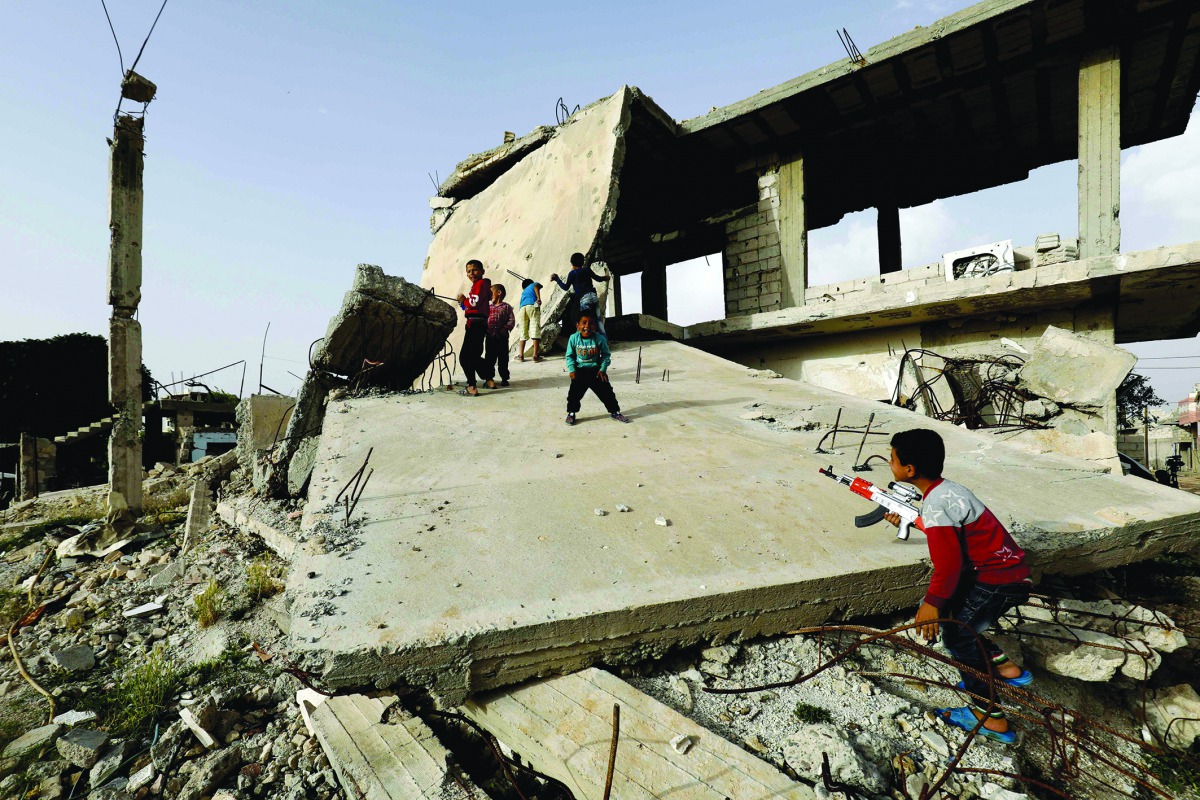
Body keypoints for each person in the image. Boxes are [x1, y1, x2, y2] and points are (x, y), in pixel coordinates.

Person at [885, 428, 1033, 744]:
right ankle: (1006, 670)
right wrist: (915, 520)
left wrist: (931, 603)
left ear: (909, 470)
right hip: (1008, 572)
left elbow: (949, 565)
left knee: (959, 638)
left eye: (892, 458)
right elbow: (951, 537)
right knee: (966, 625)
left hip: (997, 580)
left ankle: (990, 718)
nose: (889, 462)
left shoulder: (936, 503)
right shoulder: (945, 491)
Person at [563, 310, 630, 425]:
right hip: (580, 372)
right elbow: (569, 356)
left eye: (591, 323)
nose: (587, 326)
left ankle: (615, 412)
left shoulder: (600, 339)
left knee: (607, 393)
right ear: (578, 325)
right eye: (584, 323)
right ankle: (571, 413)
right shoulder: (573, 338)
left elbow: (605, 355)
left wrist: (603, 369)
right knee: (574, 395)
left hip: (597, 371)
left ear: (595, 325)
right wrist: (572, 370)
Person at [455, 259, 496, 396]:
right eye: (468, 271)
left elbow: (473, 303)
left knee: (465, 357)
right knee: (475, 356)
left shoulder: (480, 284)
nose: (471, 273)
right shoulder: (484, 285)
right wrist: (464, 303)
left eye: (474, 270)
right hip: (479, 323)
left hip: (475, 324)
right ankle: (489, 379)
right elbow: (470, 306)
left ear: (482, 271)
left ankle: (471, 386)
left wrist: (463, 300)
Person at [551, 252, 610, 334]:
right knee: (598, 320)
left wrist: (557, 279)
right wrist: (605, 277)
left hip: (584, 298)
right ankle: (603, 341)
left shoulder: (572, 273)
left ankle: (584, 342)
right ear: (583, 262)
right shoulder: (587, 270)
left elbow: (565, 287)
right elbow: (598, 279)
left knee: (585, 322)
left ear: (571, 263)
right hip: (593, 296)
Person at [485, 283, 516, 387]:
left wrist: (505, 329)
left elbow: (511, 320)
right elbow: (485, 320)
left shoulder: (506, 307)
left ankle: (504, 378)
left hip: (502, 338)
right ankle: (489, 378)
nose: (489, 296)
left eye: (491, 293)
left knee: (503, 359)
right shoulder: (488, 307)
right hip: (490, 338)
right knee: (489, 358)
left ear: (499, 293)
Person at [517, 278, 543, 362]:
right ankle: (535, 355)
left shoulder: (523, 292)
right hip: (532, 306)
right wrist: (538, 298)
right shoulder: (533, 284)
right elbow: (537, 286)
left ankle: (521, 355)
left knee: (523, 332)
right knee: (535, 330)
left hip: (522, 309)